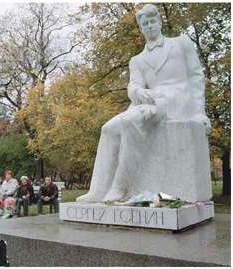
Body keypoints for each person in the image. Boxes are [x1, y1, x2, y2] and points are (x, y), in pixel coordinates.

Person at [77, 4, 210, 203]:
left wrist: (200, 113)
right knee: (108, 129)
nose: (149, 26)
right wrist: (138, 91)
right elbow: (134, 86)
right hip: (149, 102)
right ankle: (98, 189)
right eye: (144, 23)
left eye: (152, 21)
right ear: (140, 28)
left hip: (177, 102)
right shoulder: (137, 60)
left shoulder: (181, 44)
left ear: (160, 22)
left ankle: (119, 186)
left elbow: (196, 77)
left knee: (131, 120)